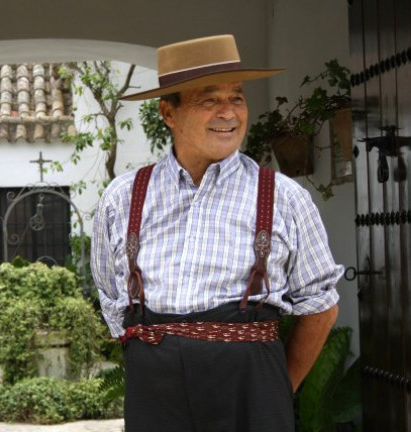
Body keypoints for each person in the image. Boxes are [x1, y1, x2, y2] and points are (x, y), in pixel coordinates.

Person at [91, 35, 343, 432]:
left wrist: (277, 388)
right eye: (209, 100)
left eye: (237, 98)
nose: (228, 112)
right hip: (155, 396)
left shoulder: (284, 197)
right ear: (167, 113)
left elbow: (321, 307)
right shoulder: (122, 199)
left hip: (252, 394)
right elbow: (111, 298)